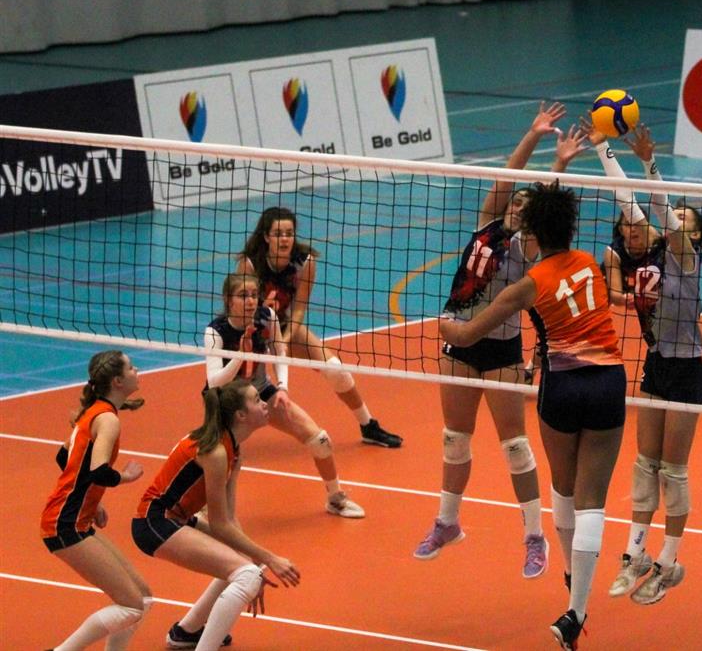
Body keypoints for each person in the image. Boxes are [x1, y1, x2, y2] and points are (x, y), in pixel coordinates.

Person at [440, 182, 625, 650]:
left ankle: (569, 572)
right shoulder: (591, 265)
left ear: (533, 233)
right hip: (607, 382)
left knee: (563, 489)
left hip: (562, 388)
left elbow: (466, 336)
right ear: (570, 226)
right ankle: (576, 609)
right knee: (593, 502)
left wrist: (446, 328)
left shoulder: (528, 285)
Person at [415, 102, 587, 579]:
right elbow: (508, 177)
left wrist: (560, 164)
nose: (515, 206)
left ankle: (534, 537)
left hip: (501, 351)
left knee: (515, 446)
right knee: (454, 439)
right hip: (459, 342)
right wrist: (533, 135)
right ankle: (447, 522)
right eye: (514, 202)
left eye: (524, 208)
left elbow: (544, 209)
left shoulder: (527, 248)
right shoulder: (488, 223)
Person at [585, 123, 702, 605]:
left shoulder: (686, 259)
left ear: (694, 234)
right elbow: (627, 200)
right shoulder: (648, 254)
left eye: (683, 220)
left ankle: (668, 563)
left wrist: (650, 164)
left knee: (673, 472)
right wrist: (602, 147)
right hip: (656, 366)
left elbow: (660, 209)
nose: (674, 221)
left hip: (688, 370)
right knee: (644, 467)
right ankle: (634, 554)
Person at [133, 380, 301, 650]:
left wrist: (256, 562)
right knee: (247, 575)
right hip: (155, 522)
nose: (264, 404)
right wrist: (269, 559)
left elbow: (229, 519)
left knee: (246, 565)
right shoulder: (215, 451)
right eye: (257, 400)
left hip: (178, 518)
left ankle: (186, 631)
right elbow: (220, 525)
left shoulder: (233, 448)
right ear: (241, 415)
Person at [237, 206, 402, 448]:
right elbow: (241, 309)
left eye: (289, 233)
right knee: (239, 391)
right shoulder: (251, 264)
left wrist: (284, 339)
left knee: (335, 369)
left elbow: (299, 308)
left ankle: (368, 425)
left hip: (285, 327)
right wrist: (255, 341)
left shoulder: (305, 262)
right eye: (278, 234)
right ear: (266, 237)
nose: (285, 239)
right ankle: (220, 434)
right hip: (250, 332)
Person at [206, 272, 364, 518]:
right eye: (243, 295)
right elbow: (214, 381)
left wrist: (282, 387)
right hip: (226, 401)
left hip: (261, 391)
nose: (250, 301)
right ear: (228, 300)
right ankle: (206, 509)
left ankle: (335, 498)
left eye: (254, 295)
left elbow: (280, 352)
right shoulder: (216, 331)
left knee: (320, 440)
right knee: (222, 460)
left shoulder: (266, 317)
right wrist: (240, 356)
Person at [40, 351, 150, 651]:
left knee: (142, 596)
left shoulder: (95, 411)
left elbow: (64, 456)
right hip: (64, 523)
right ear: (117, 381)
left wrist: (92, 500)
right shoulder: (107, 419)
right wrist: (127, 476)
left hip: (74, 518)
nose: (137, 370)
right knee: (131, 605)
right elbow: (99, 471)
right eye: (131, 367)